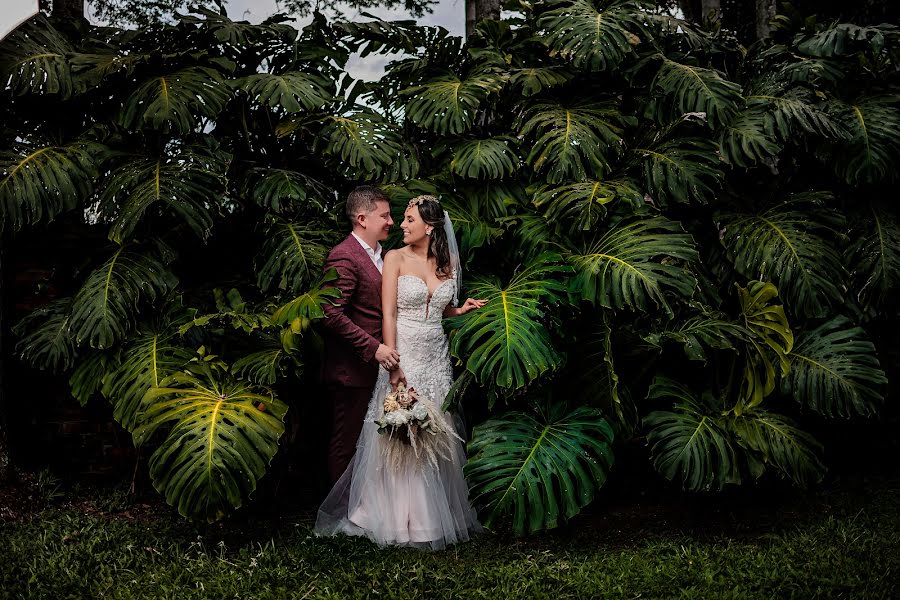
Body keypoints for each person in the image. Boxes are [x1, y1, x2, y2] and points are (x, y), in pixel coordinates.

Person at [315, 194, 485, 550]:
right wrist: (392, 363)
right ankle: (396, 517)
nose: (400, 225)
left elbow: (437, 308)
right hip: (402, 352)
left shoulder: (448, 261)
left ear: (431, 226)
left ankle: (436, 515)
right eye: (398, 217)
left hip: (436, 356)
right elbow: (388, 313)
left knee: (437, 429)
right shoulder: (394, 257)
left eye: (408, 220)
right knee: (399, 432)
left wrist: (459, 311)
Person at [320, 185, 402, 484]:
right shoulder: (344, 256)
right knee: (347, 441)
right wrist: (374, 348)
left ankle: (365, 506)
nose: (391, 222)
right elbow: (331, 314)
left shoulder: (386, 256)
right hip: (353, 369)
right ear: (362, 218)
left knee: (371, 440)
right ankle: (338, 515)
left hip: (380, 369)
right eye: (385, 215)